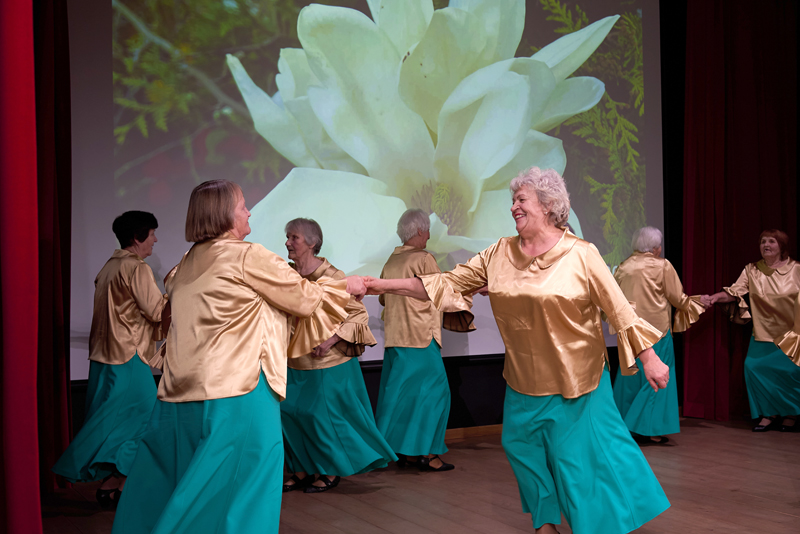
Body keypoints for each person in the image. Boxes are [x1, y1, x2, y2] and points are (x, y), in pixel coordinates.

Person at [365, 167, 671, 534]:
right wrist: (375, 284)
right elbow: (444, 283)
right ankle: (545, 523)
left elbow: (619, 308)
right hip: (523, 379)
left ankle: (597, 525)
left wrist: (648, 356)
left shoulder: (581, 254)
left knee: (579, 464)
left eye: (521, 199)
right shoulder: (499, 252)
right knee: (520, 448)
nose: (513, 207)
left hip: (577, 381)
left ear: (548, 204)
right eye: (513, 200)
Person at [111, 181, 366, 534]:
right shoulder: (247, 255)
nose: (249, 212)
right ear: (223, 215)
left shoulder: (184, 264)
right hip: (239, 392)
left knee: (182, 485)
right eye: (243, 205)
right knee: (246, 488)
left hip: (178, 397)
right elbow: (304, 299)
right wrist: (345, 285)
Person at [52, 211, 168, 508]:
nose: (155, 239)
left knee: (111, 419)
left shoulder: (109, 267)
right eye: (152, 233)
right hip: (128, 356)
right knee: (144, 418)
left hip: (105, 356)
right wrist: (180, 291)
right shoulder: (136, 269)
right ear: (137, 237)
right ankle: (107, 477)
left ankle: (114, 482)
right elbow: (157, 312)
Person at [280, 218, 395, 494]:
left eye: (294, 237)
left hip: (326, 363)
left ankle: (329, 470)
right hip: (294, 360)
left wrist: (330, 341)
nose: (287, 242)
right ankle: (301, 468)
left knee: (323, 418)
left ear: (311, 242)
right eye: (287, 237)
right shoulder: (288, 276)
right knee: (291, 414)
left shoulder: (334, 277)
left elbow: (357, 315)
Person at [375, 209, 474, 472]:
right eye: (427, 230)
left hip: (396, 339)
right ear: (419, 231)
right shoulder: (424, 259)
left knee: (403, 399)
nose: (429, 234)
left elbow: (384, 298)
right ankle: (429, 454)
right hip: (421, 337)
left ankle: (407, 453)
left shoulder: (390, 262)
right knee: (436, 396)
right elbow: (440, 292)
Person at [611, 227, 705, 444]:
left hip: (630, 332)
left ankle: (624, 427)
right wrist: (697, 304)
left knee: (630, 380)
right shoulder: (662, 266)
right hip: (657, 332)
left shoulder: (623, 267)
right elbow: (677, 298)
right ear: (655, 247)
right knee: (657, 380)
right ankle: (649, 429)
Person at [702, 229, 800, 432]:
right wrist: (715, 297)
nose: (766, 245)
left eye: (771, 241)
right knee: (753, 368)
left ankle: (791, 413)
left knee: (791, 373)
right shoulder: (752, 270)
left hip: (791, 333)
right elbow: (734, 292)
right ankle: (768, 414)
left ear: (781, 246)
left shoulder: (796, 269)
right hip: (763, 332)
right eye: (763, 241)